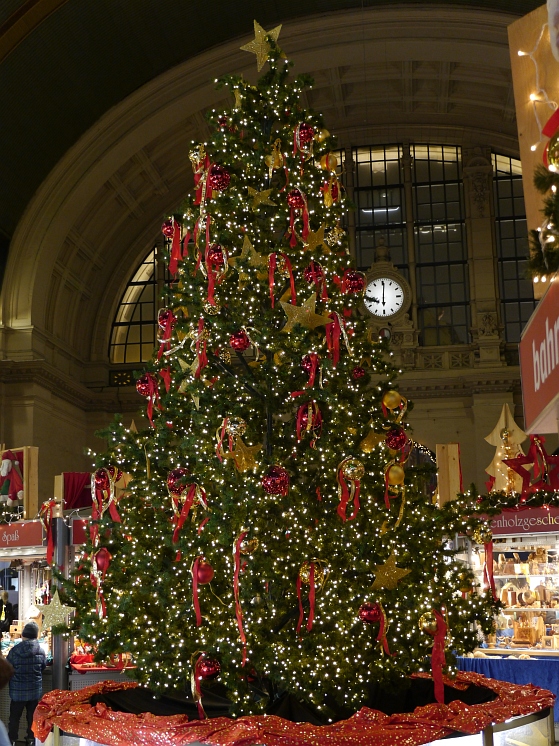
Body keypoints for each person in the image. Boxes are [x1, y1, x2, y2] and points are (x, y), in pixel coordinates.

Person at [6, 622, 46, 746]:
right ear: (36, 636)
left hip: (17, 692)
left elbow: (8, 668)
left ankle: (11, 740)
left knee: (14, 719)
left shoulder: (14, 651)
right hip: (34, 692)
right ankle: (31, 740)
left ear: (23, 635)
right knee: (32, 718)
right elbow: (43, 667)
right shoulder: (40, 650)